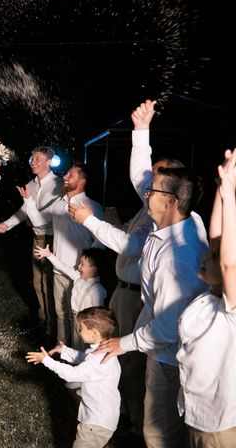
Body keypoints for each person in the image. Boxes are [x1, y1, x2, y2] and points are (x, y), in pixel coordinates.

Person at [94, 164, 208, 448]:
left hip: (171, 358)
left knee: (159, 435)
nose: (145, 194)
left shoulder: (175, 257)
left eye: (152, 190)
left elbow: (168, 328)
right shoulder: (181, 222)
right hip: (162, 349)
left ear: (170, 201)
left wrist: (125, 342)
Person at [176, 148, 236, 447]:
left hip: (218, 426)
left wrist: (231, 194)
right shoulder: (210, 297)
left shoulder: (231, 310)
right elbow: (216, 240)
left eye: (212, 257)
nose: (205, 255)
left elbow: (228, 261)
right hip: (196, 413)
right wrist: (221, 187)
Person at [23, 162, 105, 346]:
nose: (65, 177)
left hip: (78, 274)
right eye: (66, 174)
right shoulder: (58, 204)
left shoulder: (91, 206)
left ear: (82, 181)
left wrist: (90, 266)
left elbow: (101, 239)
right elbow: (38, 221)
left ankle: (80, 356)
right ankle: (62, 354)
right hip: (58, 269)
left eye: (71, 175)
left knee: (78, 317)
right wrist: (28, 201)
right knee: (61, 315)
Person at [0, 146, 62, 340]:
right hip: (37, 238)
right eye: (32, 158)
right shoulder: (30, 185)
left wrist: (32, 212)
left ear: (48, 161)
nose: (33, 162)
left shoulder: (58, 184)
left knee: (50, 283)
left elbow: (46, 217)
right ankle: (43, 322)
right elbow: (25, 211)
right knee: (38, 282)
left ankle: (55, 326)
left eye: (38, 159)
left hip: (53, 239)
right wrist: (7, 224)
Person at [26, 307, 121, 448]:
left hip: (96, 423)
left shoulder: (99, 359)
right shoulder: (102, 349)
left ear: (94, 333)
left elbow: (72, 374)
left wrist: (46, 360)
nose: (79, 331)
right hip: (102, 418)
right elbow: (84, 358)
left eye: (81, 328)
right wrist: (65, 350)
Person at [34, 245, 106, 351]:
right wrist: (50, 255)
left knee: (84, 349)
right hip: (75, 319)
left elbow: (97, 314)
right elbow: (64, 267)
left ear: (93, 270)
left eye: (83, 264)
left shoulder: (97, 290)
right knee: (75, 345)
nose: (79, 267)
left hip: (87, 324)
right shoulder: (78, 277)